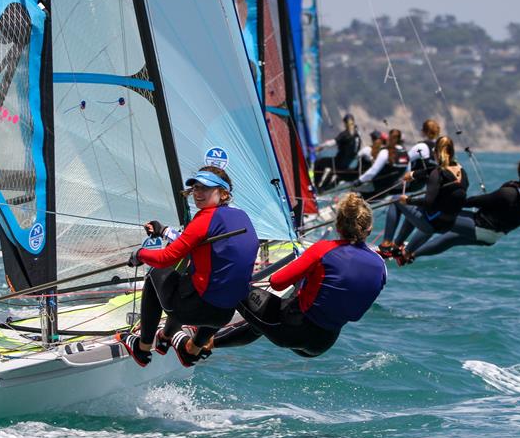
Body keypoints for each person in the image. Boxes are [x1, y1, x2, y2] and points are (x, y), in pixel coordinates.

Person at [211, 193, 386, 357]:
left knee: (232, 282)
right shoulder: (380, 266)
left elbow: (277, 282)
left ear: (338, 225)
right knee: (261, 324)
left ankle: (194, 342)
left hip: (292, 328)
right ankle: (208, 345)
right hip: (322, 344)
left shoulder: (324, 249)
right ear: (369, 229)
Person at [118, 166, 259, 367]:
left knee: (156, 274)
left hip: (192, 311)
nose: (198, 193)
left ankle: (143, 347)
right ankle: (184, 347)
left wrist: (139, 254)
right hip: (223, 316)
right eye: (196, 188)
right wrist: (164, 231)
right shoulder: (242, 217)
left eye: (205, 188)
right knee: (196, 280)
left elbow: (166, 258)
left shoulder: (205, 218)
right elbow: (190, 241)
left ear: (224, 193)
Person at [413, 157, 520, 257]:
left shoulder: (509, 192)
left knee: (438, 217)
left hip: (481, 226)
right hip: (493, 237)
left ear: (518, 171)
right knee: (450, 238)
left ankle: (406, 250)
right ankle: (412, 255)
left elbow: (477, 201)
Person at [378, 136, 468, 264]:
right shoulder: (462, 172)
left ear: (436, 153)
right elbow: (434, 171)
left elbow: (428, 202)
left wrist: (408, 200)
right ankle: (400, 250)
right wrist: (414, 174)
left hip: (431, 223)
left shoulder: (437, 174)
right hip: (447, 224)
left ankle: (387, 244)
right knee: (417, 209)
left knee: (396, 199)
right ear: (452, 152)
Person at [352, 128, 409, 198]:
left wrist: (359, 181)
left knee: (351, 191)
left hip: (374, 187)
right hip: (386, 191)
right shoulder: (406, 155)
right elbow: (406, 174)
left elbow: (373, 171)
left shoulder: (385, 152)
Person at [313, 113, 361, 191]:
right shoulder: (358, 134)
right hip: (350, 163)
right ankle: (324, 189)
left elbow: (333, 142)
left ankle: (316, 186)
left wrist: (321, 146)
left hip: (340, 163)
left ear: (345, 123)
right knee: (332, 170)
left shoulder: (345, 134)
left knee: (319, 162)